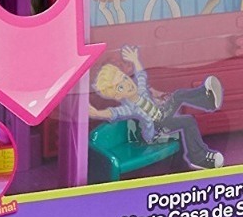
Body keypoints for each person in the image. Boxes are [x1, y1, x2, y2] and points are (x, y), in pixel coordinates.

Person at [90, 45, 224, 169]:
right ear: (118, 95)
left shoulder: (141, 92)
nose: (127, 84)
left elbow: (141, 75)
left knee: (188, 119)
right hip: (156, 131)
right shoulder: (130, 108)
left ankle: (199, 156)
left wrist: (135, 60)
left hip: (162, 116)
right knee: (178, 97)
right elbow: (114, 113)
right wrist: (96, 113)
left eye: (125, 78)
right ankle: (207, 101)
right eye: (120, 87)